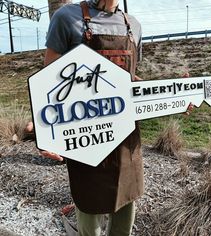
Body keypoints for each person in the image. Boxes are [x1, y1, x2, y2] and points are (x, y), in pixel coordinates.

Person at [39, 0, 144, 235]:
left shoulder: (134, 26)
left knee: (126, 203)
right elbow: (49, 84)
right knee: (88, 206)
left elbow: (130, 80)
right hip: (86, 135)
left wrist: (175, 94)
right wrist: (48, 135)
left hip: (125, 135)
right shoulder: (67, 17)